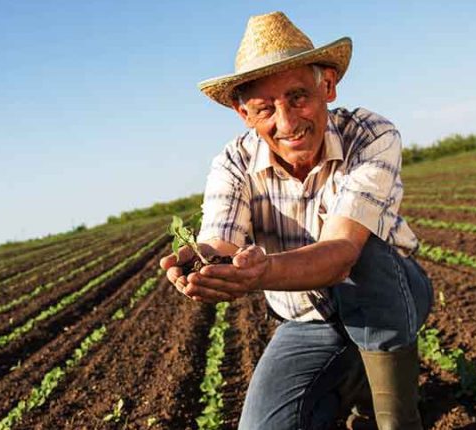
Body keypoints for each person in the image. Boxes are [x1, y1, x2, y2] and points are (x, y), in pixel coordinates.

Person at [159, 11, 433, 430]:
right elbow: (221, 238)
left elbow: (343, 253)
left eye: (298, 97)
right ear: (243, 114)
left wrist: (263, 271)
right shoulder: (234, 162)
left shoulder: (369, 134)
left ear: (327, 86)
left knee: (367, 256)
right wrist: (209, 262)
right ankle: (352, 381)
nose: (287, 123)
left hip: (392, 299)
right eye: (265, 108)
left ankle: (397, 418)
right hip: (307, 319)